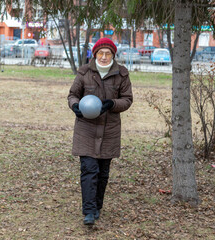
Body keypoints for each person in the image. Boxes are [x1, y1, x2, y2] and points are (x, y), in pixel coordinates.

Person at [67, 38, 133, 225]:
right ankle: (88, 212)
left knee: (103, 173)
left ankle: (97, 207)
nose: (104, 57)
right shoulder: (84, 72)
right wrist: (75, 106)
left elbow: (127, 99)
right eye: (100, 53)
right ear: (94, 54)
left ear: (113, 55)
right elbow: (72, 95)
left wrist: (113, 104)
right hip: (86, 129)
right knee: (89, 169)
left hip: (109, 130)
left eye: (108, 53)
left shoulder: (122, 74)